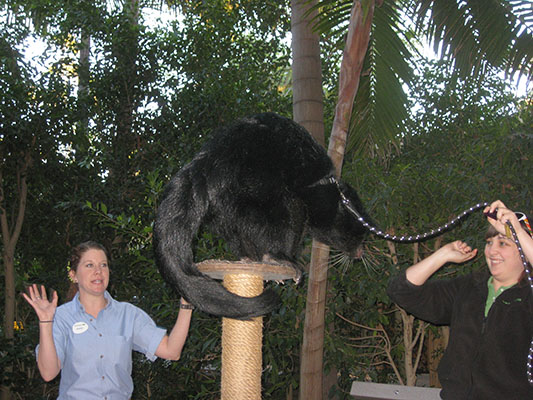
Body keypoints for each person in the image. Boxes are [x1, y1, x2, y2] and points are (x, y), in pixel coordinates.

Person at [387, 200, 533, 400]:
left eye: (503, 243)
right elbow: (402, 291)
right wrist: (442, 255)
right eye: (489, 243)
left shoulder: (528, 297)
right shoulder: (469, 288)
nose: (492, 251)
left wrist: (518, 229)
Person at [22, 241, 193, 400]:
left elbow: (172, 351)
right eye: (89, 265)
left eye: (103, 265)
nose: (98, 271)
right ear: (73, 275)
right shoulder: (60, 317)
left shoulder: (128, 314)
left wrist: (187, 303)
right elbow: (48, 373)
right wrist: (45, 321)